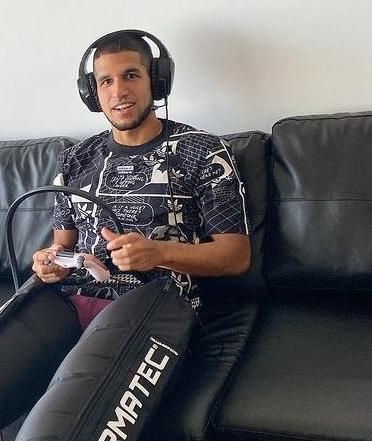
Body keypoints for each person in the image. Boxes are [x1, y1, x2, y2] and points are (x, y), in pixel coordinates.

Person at [32, 30, 250, 327]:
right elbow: (63, 245)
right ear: (92, 93)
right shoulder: (73, 159)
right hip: (68, 302)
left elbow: (236, 257)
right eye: (106, 81)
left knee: (91, 359)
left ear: (156, 82)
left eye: (131, 75)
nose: (118, 92)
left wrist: (158, 253)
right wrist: (53, 262)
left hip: (153, 307)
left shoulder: (204, 151)